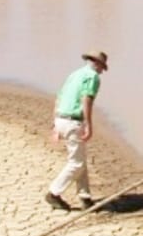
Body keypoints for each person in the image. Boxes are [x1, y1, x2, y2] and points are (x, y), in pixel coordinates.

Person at [45, 50, 109, 211]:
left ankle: (85, 197)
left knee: (80, 160)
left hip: (61, 119)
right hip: (72, 122)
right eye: (102, 66)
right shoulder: (92, 77)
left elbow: (59, 98)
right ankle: (54, 193)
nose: (102, 71)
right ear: (97, 63)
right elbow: (86, 100)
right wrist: (88, 124)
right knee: (77, 163)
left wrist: (55, 125)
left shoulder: (74, 74)